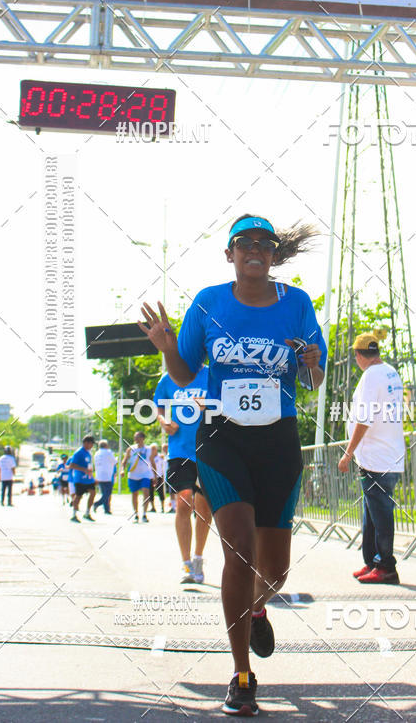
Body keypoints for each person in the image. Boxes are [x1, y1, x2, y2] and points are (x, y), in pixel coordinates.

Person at [139, 214, 326, 716]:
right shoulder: (209, 302)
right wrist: (165, 346)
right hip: (221, 439)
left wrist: (311, 364)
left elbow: (316, 378)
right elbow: (184, 372)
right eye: (244, 244)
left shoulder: (297, 304)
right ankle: (242, 674)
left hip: (278, 441)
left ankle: (259, 605)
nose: (255, 251)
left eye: (264, 245)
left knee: (275, 569)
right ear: (230, 255)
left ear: (273, 255)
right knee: (238, 550)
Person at [337, 330, 405, 584]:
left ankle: (386, 565)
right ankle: (373, 561)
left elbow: (364, 419)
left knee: (381, 514)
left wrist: (348, 453)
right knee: (372, 513)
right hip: (389, 453)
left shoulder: (370, 377)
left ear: (358, 355)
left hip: (376, 456)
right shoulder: (390, 372)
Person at [154, 365, 212, 584]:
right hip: (179, 450)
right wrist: (164, 421)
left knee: (204, 508)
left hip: (208, 449)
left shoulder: (210, 374)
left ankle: (198, 557)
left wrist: (207, 405)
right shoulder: (169, 379)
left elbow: (225, 402)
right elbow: (159, 407)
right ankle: (186, 563)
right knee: (184, 501)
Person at [122, 431, 157, 523]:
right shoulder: (131, 449)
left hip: (145, 474)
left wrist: (155, 476)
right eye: (135, 437)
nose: (135, 439)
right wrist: (122, 470)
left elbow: (152, 462)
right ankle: (136, 513)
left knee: (146, 493)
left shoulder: (149, 449)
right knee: (134, 494)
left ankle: (144, 514)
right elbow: (124, 461)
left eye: (137, 437)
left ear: (142, 438)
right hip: (133, 475)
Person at [68, 435, 96, 523]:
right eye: (91, 444)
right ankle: (74, 514)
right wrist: (84, 469)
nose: (91, 446)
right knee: (78, 496)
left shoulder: (88, 452)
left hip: (88, 478)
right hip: (80, 478)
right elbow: (72, 465)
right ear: (86, 443)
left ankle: (87, 512)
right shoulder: (79, 452)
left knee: (93, 492)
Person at [93, 439, 116, 514]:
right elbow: (114, 462)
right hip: (107, 475)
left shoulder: (97, 453)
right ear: (106, 445)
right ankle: (97, 503)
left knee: (104, 492)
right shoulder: (108, 452)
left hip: (99, 475)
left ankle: (106, 509)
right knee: (108, 493)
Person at [146, 443, 166, 514]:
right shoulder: (148, 458)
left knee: (160, 492)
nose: (152, 450)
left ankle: (163, 507)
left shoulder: (160, 458)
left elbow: (163, 467)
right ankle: (153, 507)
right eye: (151, 449)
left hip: (159, 476)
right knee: (150, 492)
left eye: (153, 449)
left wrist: (163, 477)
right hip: (150, 477)